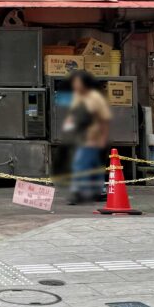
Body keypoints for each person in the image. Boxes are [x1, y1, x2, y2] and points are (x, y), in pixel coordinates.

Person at [64, 69, 111, 205]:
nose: (75, 85)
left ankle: (77, 192)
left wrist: (102, 138)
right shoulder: (78, 97)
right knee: (94, 164)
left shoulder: (95, 97)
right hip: (81, 136)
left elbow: (104, 119)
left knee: (80, 164)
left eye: (77, 82)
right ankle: (99, 190)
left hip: (93, 137)